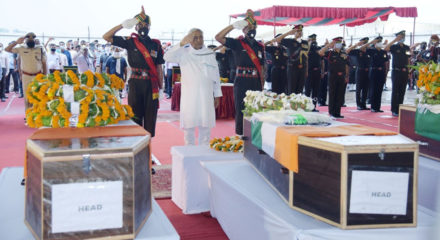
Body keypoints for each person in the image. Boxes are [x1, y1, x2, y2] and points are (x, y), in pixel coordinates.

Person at [103, 6, 164, 137]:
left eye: (145, 24)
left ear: (149, 27)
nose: (143, 27)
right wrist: (125, 24)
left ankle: (148, 151)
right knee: (134, 116)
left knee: (150, 118)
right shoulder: (130, 42)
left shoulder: (156, 45)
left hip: (151, 85)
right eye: (140, 24)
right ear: (135, 26)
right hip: (135, 84)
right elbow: (106, 36)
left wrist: (161, 87)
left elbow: (159, 67)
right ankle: (137, 148)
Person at [164, 28, 222, 145]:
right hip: (189, 97)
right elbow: (166, 57)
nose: (199, 40)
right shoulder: (183, 53)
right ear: (189, 39)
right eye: (195, 37)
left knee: (205, 130)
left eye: (201, 37)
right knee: (189, 130)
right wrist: (181, 43)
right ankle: (189, 156)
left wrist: (217, 95)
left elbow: (216, 76)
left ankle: (204, 155)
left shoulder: (209, 53)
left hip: (206, 96)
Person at [215, 9, 265, 135]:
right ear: (243, 29)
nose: (251, 29)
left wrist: (262, 84)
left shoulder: (260, 46)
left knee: (256, 109)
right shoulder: (238, 43)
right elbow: (218, 37)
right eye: (247, 26)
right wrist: (233, 26)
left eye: (253, 26)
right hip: (242, 81)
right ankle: (240, 136)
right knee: (241, 109)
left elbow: (263, 67)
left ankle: (254, 135)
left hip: (256, 81)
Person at [5, 32, 47, 111]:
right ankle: (28, 115)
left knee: (38, 95)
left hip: (38, 76)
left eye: (32, 38)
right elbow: (7, 49)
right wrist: (16, 42)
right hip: (26, 76)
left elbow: (44, 63)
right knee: (27, 96)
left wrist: (44, 76)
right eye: (29, 38)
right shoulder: (21, 48)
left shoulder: (40, 48)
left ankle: (37, 113)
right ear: (25, 39)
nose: (31, 39)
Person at [318, 37, 349, 118]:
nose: (339, 44)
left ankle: (337, 112)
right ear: (334, 44)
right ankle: (332, 112)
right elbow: (320, 52)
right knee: (333, 93)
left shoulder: (344, 53)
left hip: (341, 75)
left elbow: (346, 65)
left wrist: (346, 75)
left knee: (340, 94)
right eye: (337, 43)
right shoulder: (330, 53)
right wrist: (329, 45)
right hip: (333, 75)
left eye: (339, 42)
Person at [273, 25, 308, 94]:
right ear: (294, 32)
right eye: (297, 31)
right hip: (292, 68)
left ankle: (298, 104)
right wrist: (289, 33)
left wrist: (306, 70)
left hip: (302, 69)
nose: (299, 32)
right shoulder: (290, 41)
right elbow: (277, 39)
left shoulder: (305, 42)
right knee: (291, 90)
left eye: (301, 31)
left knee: (300, 90)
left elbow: (306, 57)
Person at [385, 30, 410, 117]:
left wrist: (409, 70)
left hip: (404, 71)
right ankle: (394, 109)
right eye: (400, 36)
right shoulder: (394, 47)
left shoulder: (407, 47)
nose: (402, 38)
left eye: (403, 36)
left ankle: (400, 109)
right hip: (396, 71)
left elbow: (408, 59)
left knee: (402, 91)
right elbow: (386, 48)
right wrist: (395, 40)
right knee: (395, 91)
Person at [346, 37, 371, 110]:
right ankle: (359, 104)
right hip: (360, 71)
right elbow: (347, 51)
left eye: (366, 43)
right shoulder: (357, 51)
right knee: (359, 88)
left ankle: (363, 104)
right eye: (364, 43)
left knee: (366, 89)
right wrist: (355, 45)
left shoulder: (368, 51)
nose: (365, 45)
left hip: (367, 72)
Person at [367, 36, 389, 112]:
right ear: (375, 43)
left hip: (381, 72)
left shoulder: (383, 52)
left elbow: (386, 62)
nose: (379, 43)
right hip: (374, 71)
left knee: (379, 90)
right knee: (373, 89)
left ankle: (378, 107)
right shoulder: (372, 51)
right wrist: (372, 41)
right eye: (378, 42)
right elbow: (363, 48)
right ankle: (373, 107)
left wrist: (386, 73)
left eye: (380, 42)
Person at [305, 34, 321, 111]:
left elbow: (322, 60)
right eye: (312, 40)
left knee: (316, 91)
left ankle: (313, 106)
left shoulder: (318, 49)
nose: (314, 42)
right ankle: (306, 106)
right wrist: (308, 44)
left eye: (314, 40)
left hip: (317, 71)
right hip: (309, 72)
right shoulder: (307, 49)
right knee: (308, 90)